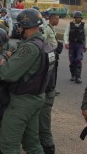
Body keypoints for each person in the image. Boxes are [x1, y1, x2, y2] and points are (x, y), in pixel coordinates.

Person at [0, 8, 54, 154]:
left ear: (24, 26)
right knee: (32, 144)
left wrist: (4, 62)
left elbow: (7, 73)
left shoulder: (29, 47)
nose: (19, 29)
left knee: (9, 145)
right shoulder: (44, 43)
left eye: (20, 26)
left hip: (22, 102)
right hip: (36, 98)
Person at [40, 13, 60, 154]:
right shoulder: (47, 29)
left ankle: (48, 148)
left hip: (47, 91)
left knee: (44, 125)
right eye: (57, 18)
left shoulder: (47, 56)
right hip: (47, 90)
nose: (58, 21)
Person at [63, 11, 87, 84]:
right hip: (72, 44)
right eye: (78, 17)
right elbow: (66, 34)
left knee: (78, 59)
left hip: (80, 45)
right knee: (72, 60)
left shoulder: (84, 26)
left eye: (80, 17)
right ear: (75, 18)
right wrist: (66, 42)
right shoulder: (69, 25)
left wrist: (86, 46)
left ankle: (78, 77)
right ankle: (73, 75)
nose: (79, 19)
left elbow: (86, 36)